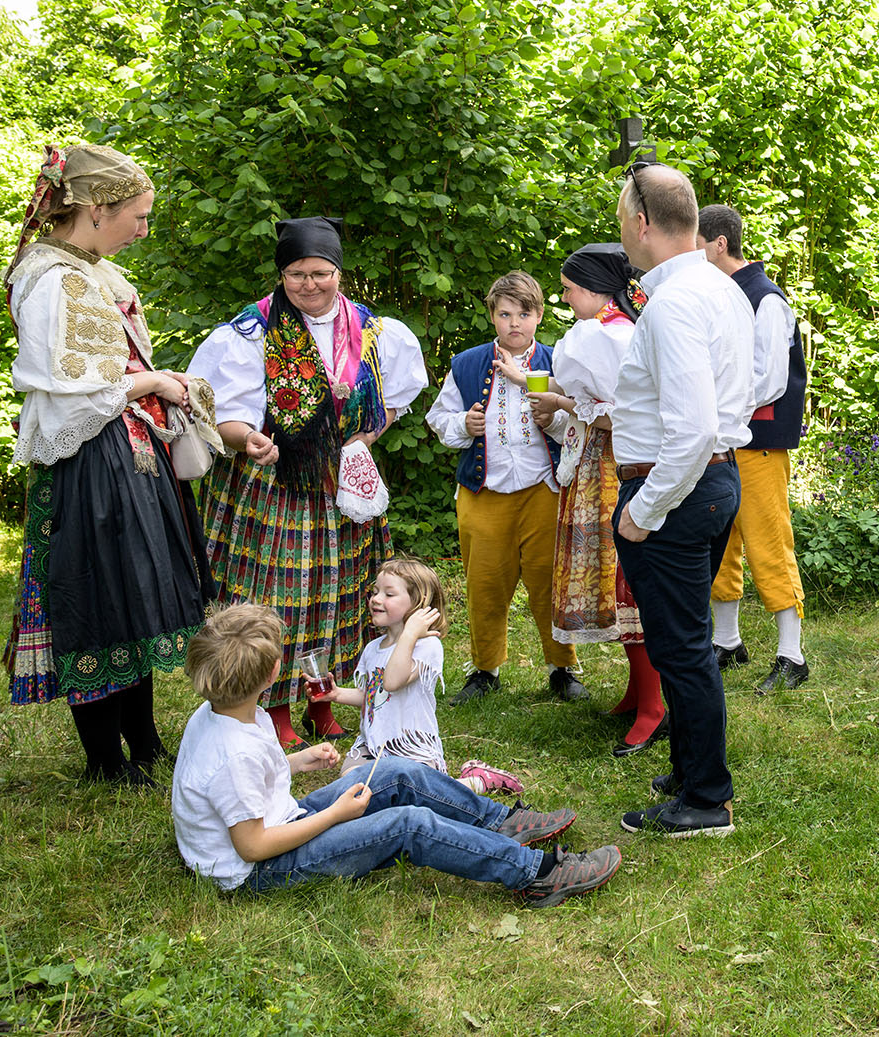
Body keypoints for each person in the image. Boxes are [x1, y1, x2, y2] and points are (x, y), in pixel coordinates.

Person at [171, 601, 621, 905]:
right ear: (272, 673)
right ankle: (535, 874)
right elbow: (252, 847)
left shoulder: (223, 710)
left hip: (281, 821)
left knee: (395, 772)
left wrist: (295, 762)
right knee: (409, 825)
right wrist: (334, 816)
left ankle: (500, 823)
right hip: (262, 870)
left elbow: (245, 785)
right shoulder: (235, 753)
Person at [4, 144, 215, 785]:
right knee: (96, 596)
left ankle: (144, 743)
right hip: (89, 460)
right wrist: (151, 381)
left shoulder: (91, 271)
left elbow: (107, 373)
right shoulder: (55, 279)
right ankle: (104, 758)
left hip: (125, 450)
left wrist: (157, 384)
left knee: (132, 594)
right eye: (139, 216)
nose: (144, 230)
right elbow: (71, 386)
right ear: (97, 208)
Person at [189, 217, 428, 750]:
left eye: (321, 273)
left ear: (339, 272)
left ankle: (323, 699)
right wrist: (249, 438)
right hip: (275, 482)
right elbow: (219, 414)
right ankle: (273, 707)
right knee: (280, 594)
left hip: (342, 484)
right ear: (281, 275)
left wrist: (366, 437)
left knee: (343, 591)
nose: (309, 284)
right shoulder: (251, 331)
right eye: (296, 274)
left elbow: (393, 402)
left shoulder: (371, 331)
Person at [609, 162, 754, 839]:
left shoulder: (674, 302)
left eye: (621, 221)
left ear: (642, 223)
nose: (622, 233)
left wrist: (643, 511)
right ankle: (690, 767)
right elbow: (748, 388)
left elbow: (692, 430)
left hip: (677, 487)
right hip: (713, 478)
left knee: (683, 648)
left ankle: (706, 799)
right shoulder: (721, 287)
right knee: (682, 642)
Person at [424, 271, 588, 706]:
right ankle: (485, 670)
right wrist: (464, 424)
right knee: (485, 583)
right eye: (505, 314)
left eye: (524, 314)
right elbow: (438, 420)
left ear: (539, 316)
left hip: (544, 489)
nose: (515, 323)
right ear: (492, 316)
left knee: (549, 581)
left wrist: (552, 421)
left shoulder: (559, 363)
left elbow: (581, 422)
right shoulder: (467, 364)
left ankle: (562, 668)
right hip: (484, 491)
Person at [533, 242, 660, 758]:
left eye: (568, 289)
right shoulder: (602, 331)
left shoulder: (609, 335)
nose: (564, 298)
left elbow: (621, 414)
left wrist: (563, 402)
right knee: (613, 584)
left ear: (593, 289)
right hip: (596, 465)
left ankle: (654, 704)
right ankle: (638, 690)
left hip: (616, 467)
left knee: (627, 582)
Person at [698, 204, 811, 694]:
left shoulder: (765, 299)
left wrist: (717, 407)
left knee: (768, 542)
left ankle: (792, 655)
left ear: (719, 244)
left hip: (759, 442)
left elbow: (769, 381)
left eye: (696, 246)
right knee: (720, 542)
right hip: (722, 439)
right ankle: (727, 641)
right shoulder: (718, 295)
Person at [309, 557, 524, 796]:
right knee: (353, 789)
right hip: (373, 746)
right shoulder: (373, 648)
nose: (376, 599)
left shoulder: (427, 646)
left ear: (418, 604)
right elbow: (373, 696)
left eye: (389, 594)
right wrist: (336, 694)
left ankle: (478, 781)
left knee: (414, 794)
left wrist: (410, 633)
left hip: (410, 748)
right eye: (376, 591)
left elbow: (392, 682)